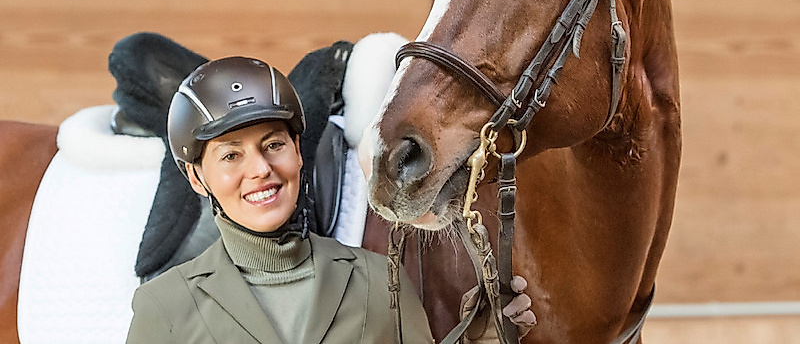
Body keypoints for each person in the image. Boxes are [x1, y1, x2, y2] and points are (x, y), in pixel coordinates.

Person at [126, 56, 534, 343]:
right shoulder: (163, 307)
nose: (261, 169)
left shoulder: (379, 280)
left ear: (299, 150)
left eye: (273, 145)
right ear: (197, 177)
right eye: (232, 155)